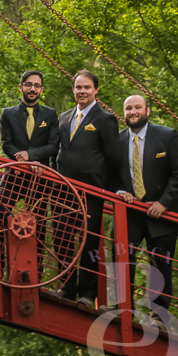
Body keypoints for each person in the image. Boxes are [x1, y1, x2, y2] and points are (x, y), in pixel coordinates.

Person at [113, 95, 178, 329]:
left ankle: (159, 317)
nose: (133, 112)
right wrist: (120, 191)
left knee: (160, 264)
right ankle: (122, 309)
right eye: (128, 108)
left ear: (147, 111)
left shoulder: (166, 135)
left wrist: (164, 203)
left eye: (137, 107)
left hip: (162, 213)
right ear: (123, 113)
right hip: (131, 211)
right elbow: (109, 173)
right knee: (122, 258)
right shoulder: (116, 141)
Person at [53, 69, 121, 307]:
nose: (82, 91)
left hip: (90, 191)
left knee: (89, 242)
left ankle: (87, 293)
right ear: (73, 90)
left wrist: (106, 187)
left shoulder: (105, 119)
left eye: (87, 87)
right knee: (61, 237)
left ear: (96, 90)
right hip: (63, 189)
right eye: (78, 87)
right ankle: (67, 286)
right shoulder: (64, 117)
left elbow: (113, 157)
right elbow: (58, 151)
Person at [0, 70, 60, 275]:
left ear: (41, 89)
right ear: (21, 87)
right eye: (28, 85)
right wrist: (23, 160)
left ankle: (37, 273)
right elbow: (6, 145)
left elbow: (53, 146)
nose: (32, 89)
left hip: (40, 179)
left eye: (36, 85)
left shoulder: (50, 115)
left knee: (39, 226)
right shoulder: (7, 113)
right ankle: (0, 267)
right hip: (14, 175)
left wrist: (32, 156)